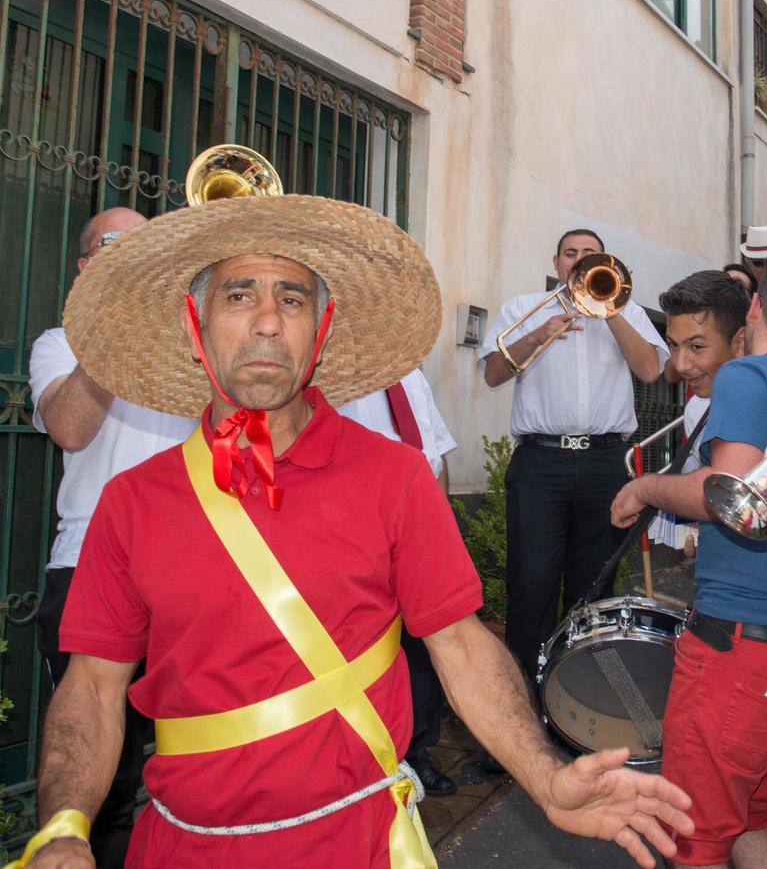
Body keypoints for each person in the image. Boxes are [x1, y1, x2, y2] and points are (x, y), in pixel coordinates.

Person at [18, 194, 692, 869]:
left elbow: (459, 644)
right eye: (238, 295)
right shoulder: (132, 501)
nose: (265, 322)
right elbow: (94, 688)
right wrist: (64, 826)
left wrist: (545, 775)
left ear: (323, 327)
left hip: (363, 843)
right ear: (195, 328)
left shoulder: (393, 478)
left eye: (291, 299)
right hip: (182, 849)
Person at [610, 251, 767, 869]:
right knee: (749, 820)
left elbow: (723, 492)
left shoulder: (746, 376)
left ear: (754, 307)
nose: (684, 364)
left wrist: (645, 489)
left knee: (689, 839)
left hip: (742, 645)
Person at [27, 208, 198, 868]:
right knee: (102, 778)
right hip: (88, 569)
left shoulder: (188, 345)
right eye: (116, 245)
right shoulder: (61, 343)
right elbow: (70, 427)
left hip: (188, 572)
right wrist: (115, 329)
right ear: (84, 266)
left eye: (144, 245)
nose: (132, 255)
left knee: (191, 762)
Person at [479, 229, 669, 682]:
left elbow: (650, 368)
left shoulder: (628, 310)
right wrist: (538, 336)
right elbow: (492, 374)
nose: (579, 260)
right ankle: (526, 695)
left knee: (595, 584)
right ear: (557, 262)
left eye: (590, 254)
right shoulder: (523, 309)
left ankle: (580, 693)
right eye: (571, 254)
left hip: (606, 461)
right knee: (531, 582)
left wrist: (612, 313)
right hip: (541, 463)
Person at [338, 368, 459, 798]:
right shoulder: (337, 377)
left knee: (423, 648)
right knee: (366, 647)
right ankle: (369, 757)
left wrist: (440, 523)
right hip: (362, 527)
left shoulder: (412, 378)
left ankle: (418, 750)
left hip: (419, 524)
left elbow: (436, 454)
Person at [646, 271, 750, 553]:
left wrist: (646, 490)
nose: (680, 364)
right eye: (673, 345)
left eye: (696, 346)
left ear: (739, 342)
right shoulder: (696, 409)